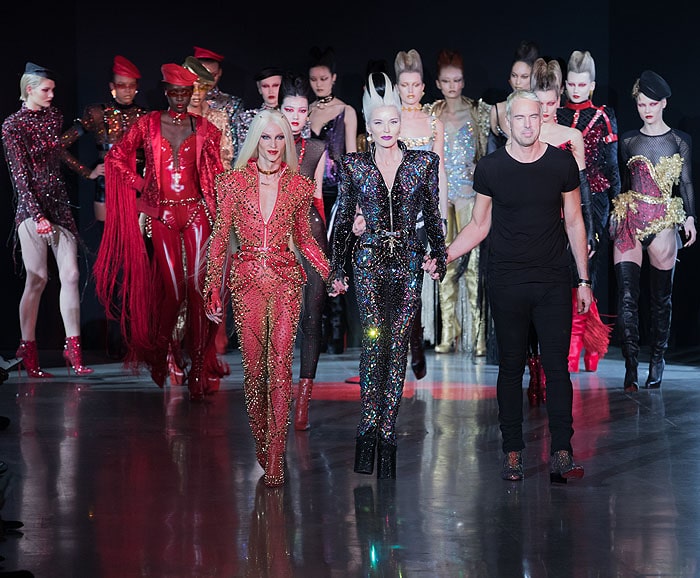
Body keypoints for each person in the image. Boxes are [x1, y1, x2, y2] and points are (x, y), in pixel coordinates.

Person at [447, 89, 590, 483]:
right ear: (507, 122)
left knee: (557, 368)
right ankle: (512, 451)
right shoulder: (491, 168)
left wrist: (583, 280)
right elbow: (478, 225)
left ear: (542, 118)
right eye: (519, 118)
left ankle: (562, 451)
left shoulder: (561, 164)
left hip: (551, 280)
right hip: (507, 281)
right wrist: (444, 255)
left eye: (534, 117)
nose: (527, 124)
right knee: (510, 368)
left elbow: (575, 222)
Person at [328, 72, 446, 479]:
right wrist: (337, 269)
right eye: (377, 122)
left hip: (409, 261)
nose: (386, 129)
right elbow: (344, 219)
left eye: (392, 121)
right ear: (367, 125)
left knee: (397, 347)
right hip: (369, 262)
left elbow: (432, 215)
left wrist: (439, 257)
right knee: (374, 343)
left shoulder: (422, 163)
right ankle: (367, 428)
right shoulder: (354, 166)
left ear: (401, 121)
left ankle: (388, 432)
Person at [204, 109, 331, 486]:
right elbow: (219, 239)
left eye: (280, 139)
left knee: (279, 369)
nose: (274, 146)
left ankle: (276, 457)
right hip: (246, 283)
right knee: (255, 373)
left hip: (285, 281)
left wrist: (329, 272)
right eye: (267, 138)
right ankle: (263, 442)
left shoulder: (298, 186)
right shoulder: (230, 183)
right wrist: (214, 286)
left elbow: (305, 239)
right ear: (255, 140)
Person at [94, 63, 224, 400]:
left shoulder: (206, 129)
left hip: (196, 212)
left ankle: (197, 367)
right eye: (175, 93)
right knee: (173, 288)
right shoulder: (148, 124)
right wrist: (144, 186)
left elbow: (217, 175)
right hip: (164, 214)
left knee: (198, 289)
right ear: (166, 92)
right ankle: (161, 352)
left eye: (186, 93)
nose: (181, 99)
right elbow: (117, 158)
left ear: (192, 94)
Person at [2, 62, 102, 378]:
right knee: (38, 278)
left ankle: (73, 349)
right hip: (32, 209)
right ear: (29, 89)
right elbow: (20, 176)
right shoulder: (12, 126)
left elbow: (58, 151)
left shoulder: (53, 117)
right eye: (46, 90)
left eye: (53, 90)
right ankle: (27, 348)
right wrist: (36, 214)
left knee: (71, 275)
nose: (51, 94)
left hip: (59, 204)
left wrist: (87, 172)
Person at [610, 70, 696, 391]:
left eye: (651, 104)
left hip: (663, 217)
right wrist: (613, 213)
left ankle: (656, 359)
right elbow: (621, 180)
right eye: (641, 104)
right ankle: (631, 365)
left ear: (663, 104)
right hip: (631, 215)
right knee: (628, 295)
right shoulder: (629, 139)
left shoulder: (679, 141)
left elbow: (686, 182)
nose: (646, 110)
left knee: (661, 299)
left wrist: (690, 218)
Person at [530, 58, 610, 402]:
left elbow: (583, 187)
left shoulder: (571, 135)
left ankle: (561, 362)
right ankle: (536, 368)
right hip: (530, 227)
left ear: (559, 97)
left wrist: (589, 230)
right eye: (541, 103)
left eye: (551, 103)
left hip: (564, 226)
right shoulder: (523, 131)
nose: (547, 110)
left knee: (568, 295)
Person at [431, 48, 490, 358]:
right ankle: (448, 332)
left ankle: (479, 335)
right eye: (446, 81)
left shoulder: (477, 112)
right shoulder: (432, 113)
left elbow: (484, 155)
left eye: (457, 80)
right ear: (438, 83)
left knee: (474, 268)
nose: (452, 86)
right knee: (444, 264)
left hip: (469, 196)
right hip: (442, 199)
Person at [393, 48, 447, 379]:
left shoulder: (433, 122)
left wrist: (438, 215)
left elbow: (438, 172)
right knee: (392, 283)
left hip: (422, 213)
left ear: (424, 88)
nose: (410, 91)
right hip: (390, 211)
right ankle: (399, 344)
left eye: (415, 85)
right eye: (404, 85)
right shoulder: (389, 119)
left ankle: (414, 339)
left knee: (413, 282)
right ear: (397, 86)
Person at [278, 73, 329, 431]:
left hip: (309, 232)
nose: (295, 116)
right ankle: (277, 396)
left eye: (300, 110)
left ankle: (302, 405)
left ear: (307, 114)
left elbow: (319, 199)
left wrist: (324, 250)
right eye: (288, 109)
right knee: (279, 320)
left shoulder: (317, 149)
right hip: (274, 236)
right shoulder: (266, 143)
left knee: (312, 318)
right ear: (278, 110)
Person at [558, 50, 620, 311]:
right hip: (559, 199)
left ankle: (588, 347)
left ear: (592, 86)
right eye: (571, 84)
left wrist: (618, 207)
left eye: (582, 85)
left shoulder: (603, 116)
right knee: (562, 268)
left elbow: (613, 164)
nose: (575, 90)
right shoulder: (555, 115)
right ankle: (563, 340)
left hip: (594, 200)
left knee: (587, 265)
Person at [307, 46, 359, 354]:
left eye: (324, 78)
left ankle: (338, 331)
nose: (318, 84)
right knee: (316, 259)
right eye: (313, 79)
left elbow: (351, 154)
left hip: (338, 189)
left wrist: (357, 199)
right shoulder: (307, 110)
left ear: (334, 78)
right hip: (310, 191)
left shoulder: (346, 111)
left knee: (337, 256)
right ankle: (319, 328)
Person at [61, 55, 148, 223]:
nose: (128, 90)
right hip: (107, 185)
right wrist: (87, 172)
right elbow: (60, 145)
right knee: (111, 238)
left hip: (136, 184)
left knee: (136, 238)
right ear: (112, 87)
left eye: (132, 85)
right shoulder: (98, 114)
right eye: (122, 85)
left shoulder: (146, 117)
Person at [488, 40, 539, 152]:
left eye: (524, 76)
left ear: (534, 78)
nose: (517, 82)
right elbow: (490, 155)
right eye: (514, 75)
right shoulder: (498, 111)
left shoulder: (541, 110)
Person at [192, 45, 244, 157]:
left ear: (220, 72)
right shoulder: (182, 100)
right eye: (202, 75)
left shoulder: (231, 103)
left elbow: (236, 145)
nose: (208, 80)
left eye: (212, 75)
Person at [234, 66, 283, 152]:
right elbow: (243, 152)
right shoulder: (247, 119)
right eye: (265, 86)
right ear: (259, 88)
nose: (271, 91)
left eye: (275, 86)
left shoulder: (293, 116)